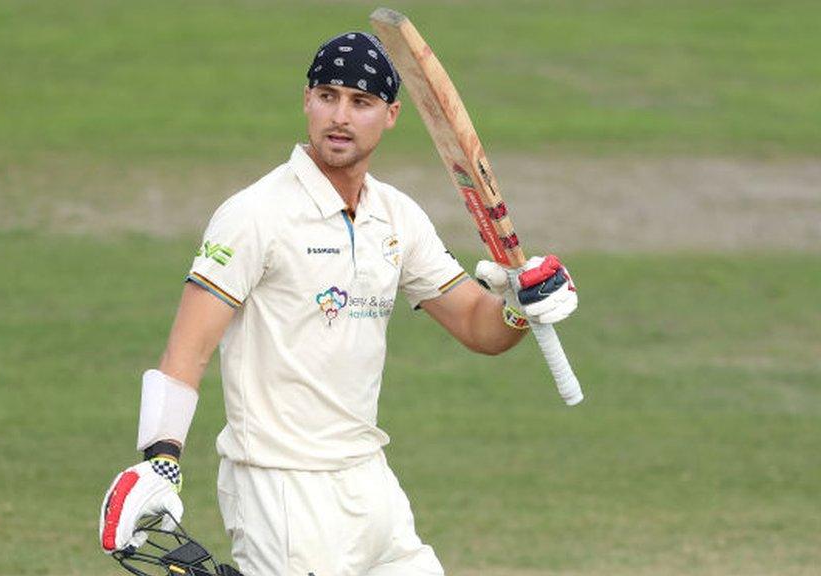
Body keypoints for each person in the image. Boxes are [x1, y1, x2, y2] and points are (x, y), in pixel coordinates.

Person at [99, 31, 578, 575]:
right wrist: (161, 461)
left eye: (361, 102)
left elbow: (477, 324)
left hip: (368, 478)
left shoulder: (397, 217)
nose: (340, 117)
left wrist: (520, 306)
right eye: (327, 96)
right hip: (280, 487)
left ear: (391, 114)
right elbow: (187, 350)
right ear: (307, 100)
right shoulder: (255, 214)